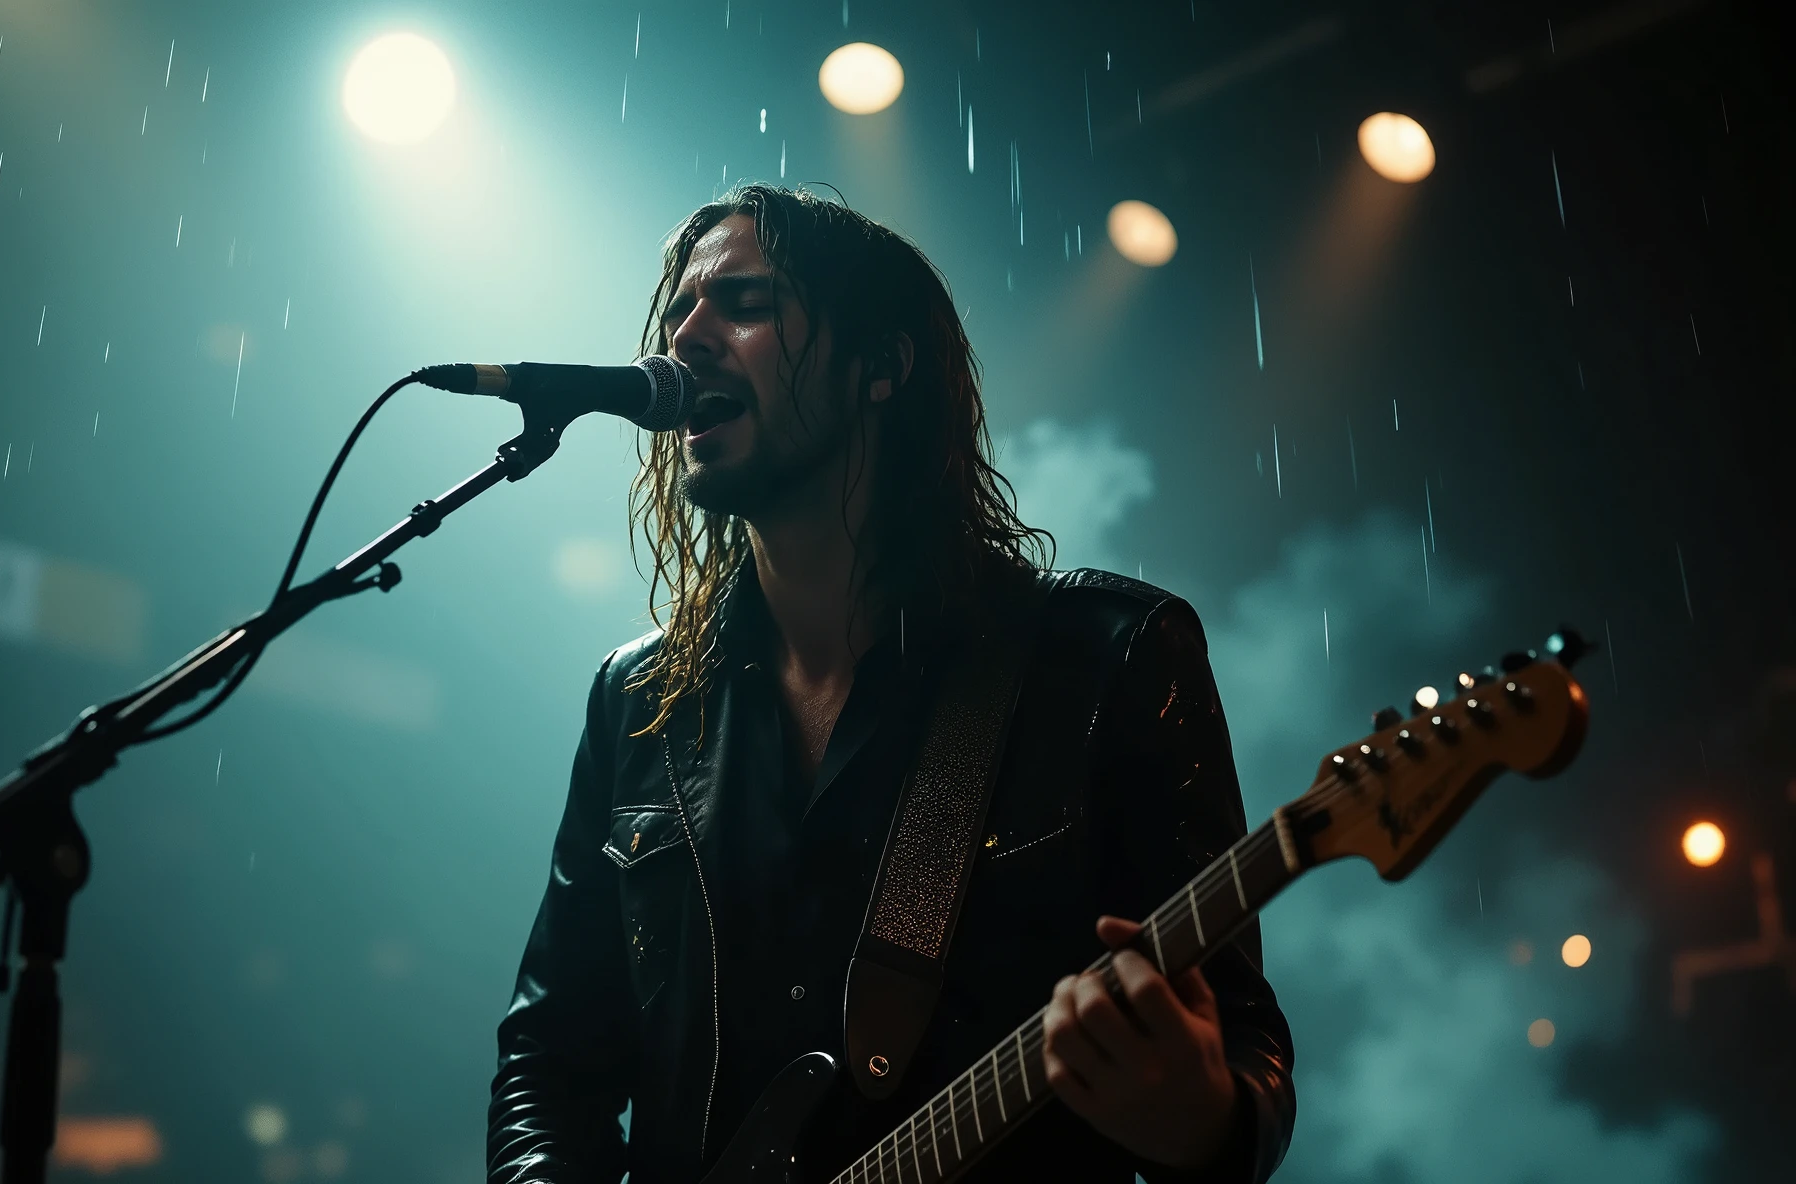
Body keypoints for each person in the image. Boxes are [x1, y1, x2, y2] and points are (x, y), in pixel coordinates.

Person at [488, 185, 1292, 1183]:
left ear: (880, 365)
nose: (684, 337)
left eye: (742, 302)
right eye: (676, 312)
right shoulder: (640, 697)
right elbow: (550, 1060)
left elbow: (1245, 1056)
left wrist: (1201, 1119)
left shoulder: (1099, 661)